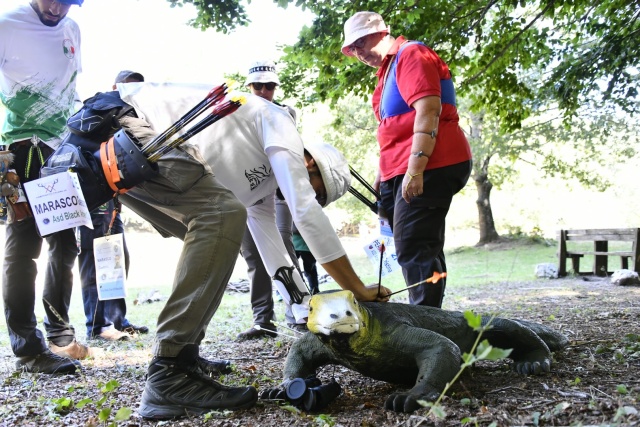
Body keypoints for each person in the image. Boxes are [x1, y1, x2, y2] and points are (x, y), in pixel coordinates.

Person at [113, 82, 391, 418]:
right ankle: (167, 371)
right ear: (310, 164)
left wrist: (307, 312)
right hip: (125, 126)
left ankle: (183, 357)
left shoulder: (263, 184)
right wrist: (357, 289)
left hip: (132, 152)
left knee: (221, 232)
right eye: (318, 192)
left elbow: (274, 251)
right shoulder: (279, 123)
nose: (310, 197)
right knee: (224, 217)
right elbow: (305, 211)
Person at [341, 12, 473, 308]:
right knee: (413, 241)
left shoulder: (412, 54)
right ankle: (429, 316)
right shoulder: (386, 72)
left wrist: (416, 169)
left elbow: (428, 110)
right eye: (352, 48)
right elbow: (391, 131)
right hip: (398, 167)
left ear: (381, 33)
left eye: (361, 42)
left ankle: (425, 322)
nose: (358, 52)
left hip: (434, 163)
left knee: (414, 244)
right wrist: (382, 176)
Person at [0, 0, 89, 375]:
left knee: (66, 244)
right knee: (24, 247)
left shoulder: (72, 30)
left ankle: (59, 335)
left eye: (68, 1)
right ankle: (28, 348)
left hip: (61, 150)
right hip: (20, 148)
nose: (58, 7)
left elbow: (71, 89)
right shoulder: (7, 24)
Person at [77, 70, 148, 342]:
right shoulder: (101, 109)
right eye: (128, 87)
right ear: (114, 87)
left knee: (117, 258)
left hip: (111, 200)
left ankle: (118, 320)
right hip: (91, 197)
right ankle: (96, 327)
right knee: (93, 262)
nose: (133, 92)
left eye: (138, 88)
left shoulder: (130, 114)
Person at [236, 60, 301, 340]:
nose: (263, 91)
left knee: (284, 246)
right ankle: (263, 320)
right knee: (253, 254)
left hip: (279, 193)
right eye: (258, 86)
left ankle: (299, 312)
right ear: (248, 87)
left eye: (269, 86)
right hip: (247, 194)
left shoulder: (286, 113)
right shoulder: (234, 113)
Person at [292, 223, 320, 294]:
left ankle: (314, 291)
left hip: (308, 246)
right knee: (291, 270)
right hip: (293, 245)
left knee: (310, 270)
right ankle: (291, 292)